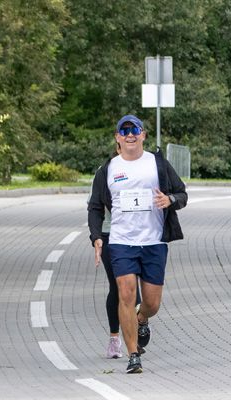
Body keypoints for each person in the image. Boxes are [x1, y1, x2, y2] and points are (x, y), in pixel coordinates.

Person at [88, 115, 188, 374]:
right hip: (121, 242)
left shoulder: (157, 164)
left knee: (152, 303)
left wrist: (170, 200)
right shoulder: (108, 168)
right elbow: (95, 206)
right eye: (124, 130)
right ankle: (133, 355)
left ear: (143, 135)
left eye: (135, 130)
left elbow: (182, 193)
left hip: (153, 241)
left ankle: (141, 319)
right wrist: (97, 235)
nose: (130, 134)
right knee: (125, 293)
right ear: (117, 137)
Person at [90, 141, 142, 360]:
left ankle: (140, 324)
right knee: (119, 287)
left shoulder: (143, 171)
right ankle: (115, 339)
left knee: (139, 292)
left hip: (139, 235)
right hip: (111, 235)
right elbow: (94, 207)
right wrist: (96, 238)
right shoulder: (105, 172)